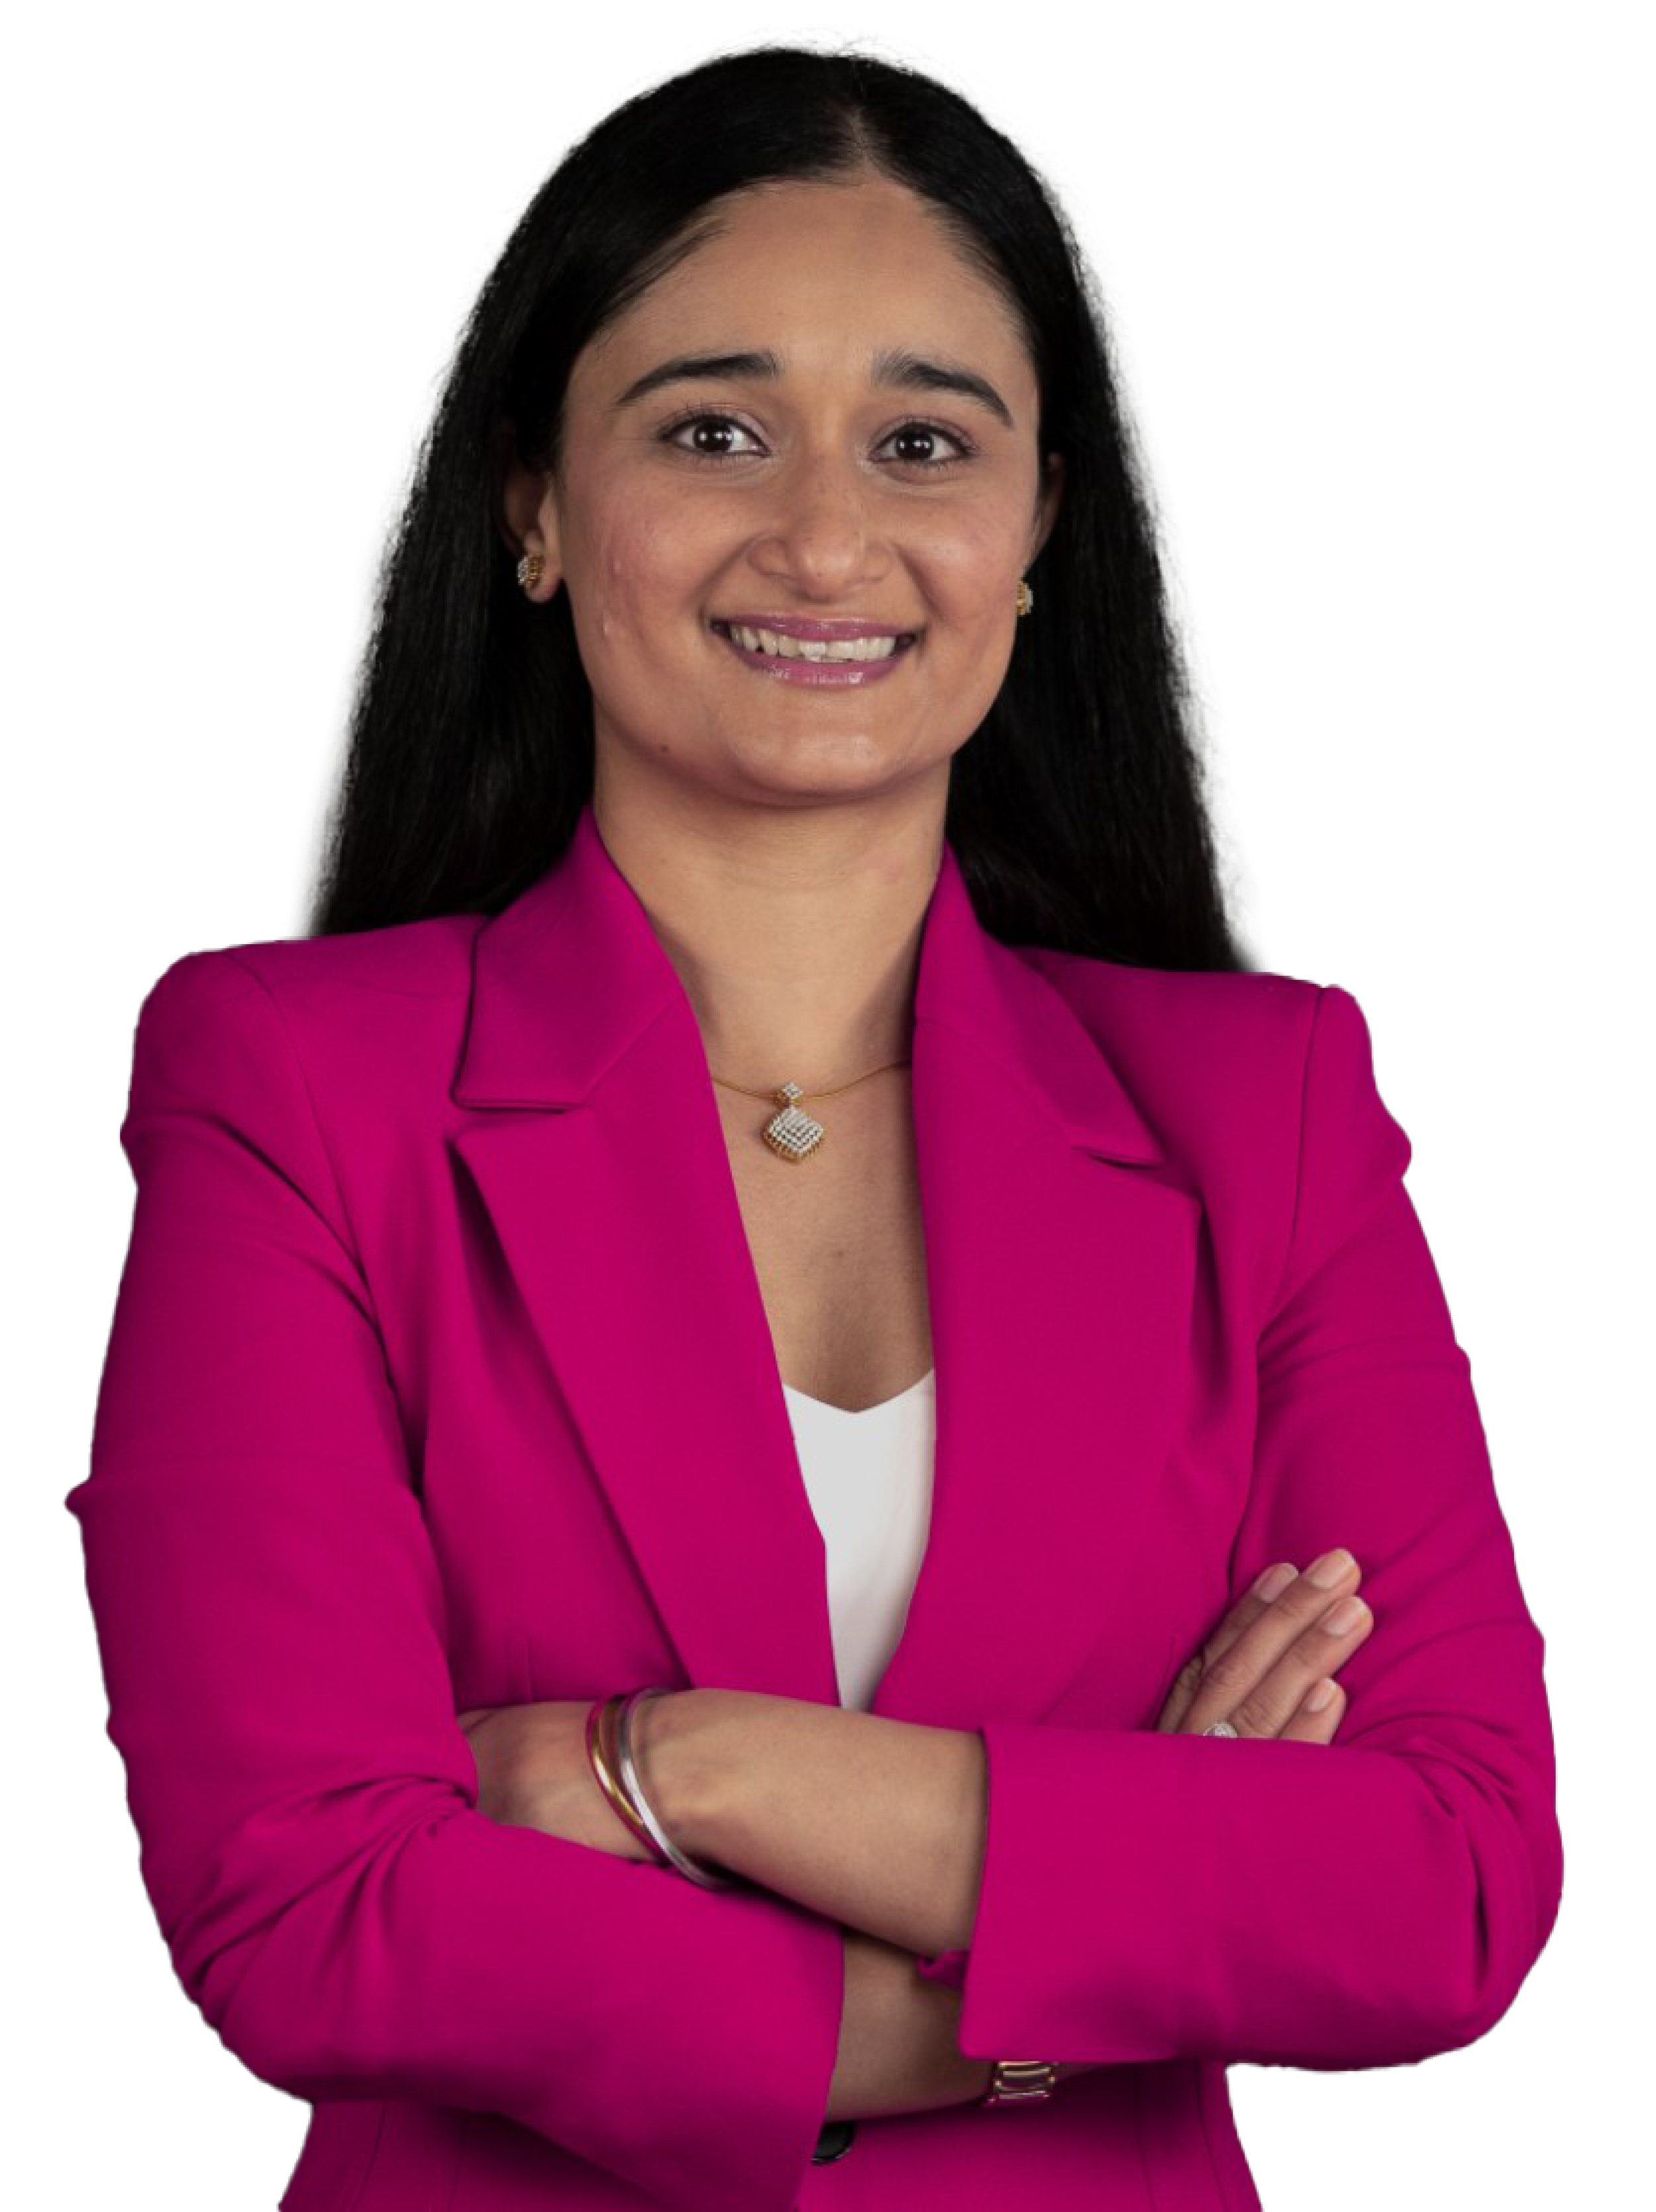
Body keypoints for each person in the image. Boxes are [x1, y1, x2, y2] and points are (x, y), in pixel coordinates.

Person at [67, 28, 1562, 2211]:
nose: (827, 534)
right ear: (535, 506)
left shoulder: (1269, 1110)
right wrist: (1087, 1917)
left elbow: (1445, 1884)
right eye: (714, 426)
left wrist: (663, 1768)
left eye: (925, 441)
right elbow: (303, 1916)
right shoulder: (294, 1084)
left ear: (1039, 530)